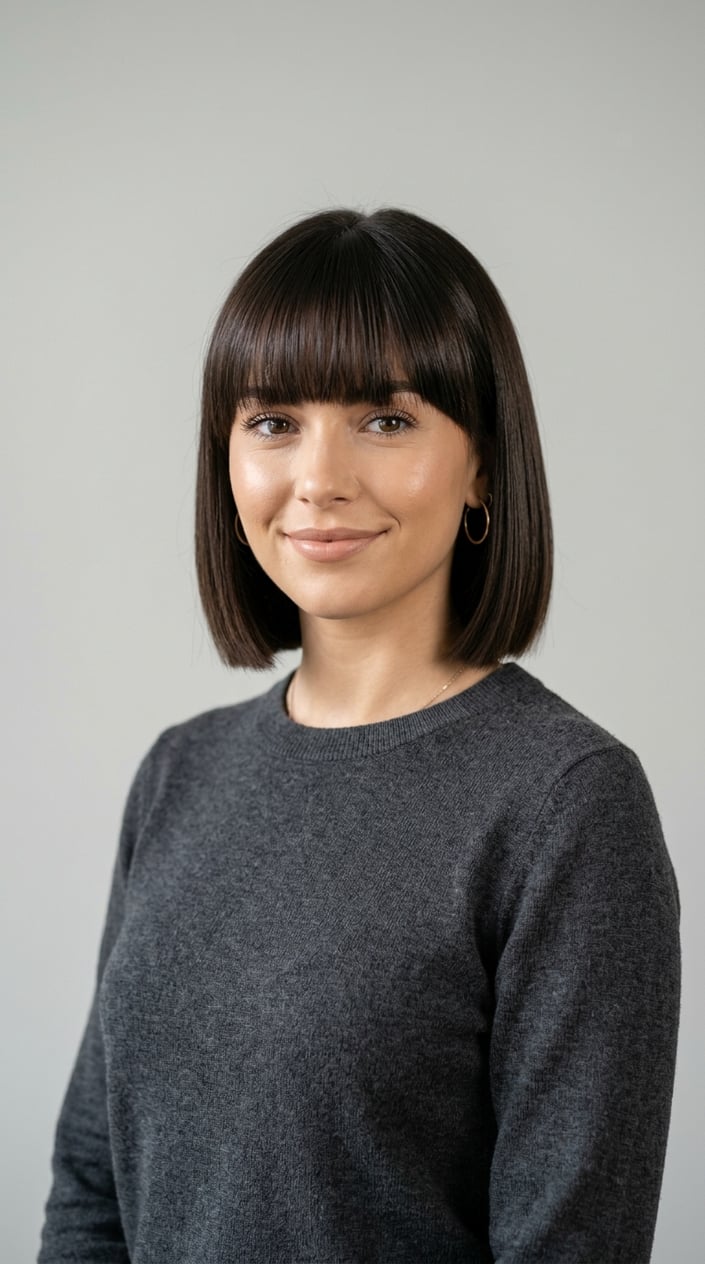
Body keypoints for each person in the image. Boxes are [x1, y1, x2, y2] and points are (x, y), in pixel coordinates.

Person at [38, 207, 681, 1263]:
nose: (319, 478)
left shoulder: (566, 802)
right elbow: (93, 1188)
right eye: (273, 420)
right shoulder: (179, 774)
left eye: (386, 419)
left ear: (482, 465)